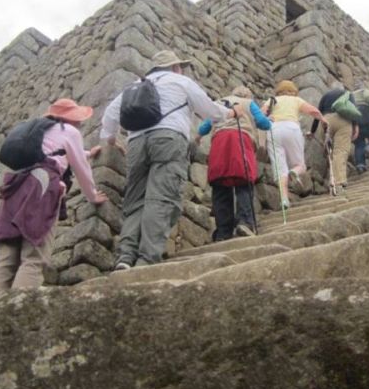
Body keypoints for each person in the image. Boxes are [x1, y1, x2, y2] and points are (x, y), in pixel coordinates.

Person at [100, 50, 243, 270]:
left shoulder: (136, 84)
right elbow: (209, 111)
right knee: (161, 198)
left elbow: (110, 114)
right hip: (169, 138)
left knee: (135, 199)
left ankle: (125, 257)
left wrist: (110, 139)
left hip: (136, 142)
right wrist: (230, 114)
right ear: (176, 67)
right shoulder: (181, 81)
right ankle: (147, 259)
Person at [0, 99, 108, 290]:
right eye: (78, 118)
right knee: (33, 258)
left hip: (15, 188)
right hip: (41, 187)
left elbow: (55, 153)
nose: (80, 123)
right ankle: (17, 313)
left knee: (5, 261)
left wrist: (87, 153)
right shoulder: (70, 131)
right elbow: (80, 168)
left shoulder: (39, 131)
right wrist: (92, 195)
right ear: (70, 118)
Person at [196, 86, 272, 240]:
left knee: (220, 185)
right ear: (247, 95)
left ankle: (223, 231)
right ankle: (245, 222)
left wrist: (197, 137)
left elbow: (204, 127)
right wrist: (269, 122)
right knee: (243, 181)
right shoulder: (248, 103)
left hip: (219, 143)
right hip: (240, 141)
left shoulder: (219, 103)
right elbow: (262, 123)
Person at [262, 80, 325, 209]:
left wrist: (267, 119)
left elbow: (260, 113)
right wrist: (323, 119)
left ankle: (284, 200)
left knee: (280, 168)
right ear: (293, 90)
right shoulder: (296, 100)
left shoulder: (272, 100)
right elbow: (313, 111)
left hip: (274, 130)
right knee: (300, 165)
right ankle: (294, 172)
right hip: (291, 128)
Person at [310, 88, 359, 192]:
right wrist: (355, 126)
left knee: (329, 151)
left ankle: (331, 177)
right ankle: (339, 182)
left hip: (326, 120)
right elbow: (353, 110)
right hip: (344, 121)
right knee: (340, 151)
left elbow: (317, 113)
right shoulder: (348, 94)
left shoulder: (326, 95)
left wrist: (312, 130)